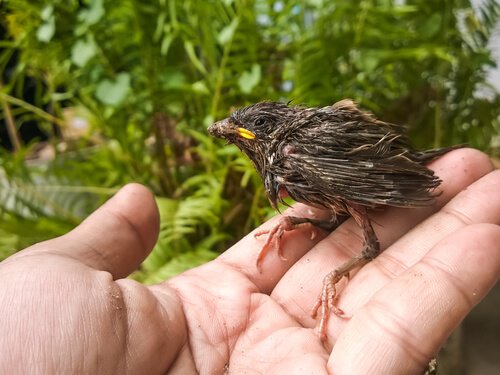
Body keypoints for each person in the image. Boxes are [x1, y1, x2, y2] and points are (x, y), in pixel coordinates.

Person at [0, 148, 498, 374]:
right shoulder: (289, 166)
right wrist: (308, 221)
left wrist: (334, 275)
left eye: (249, 131)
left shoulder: (302, 161)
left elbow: (367, 238)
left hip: (377, 193)